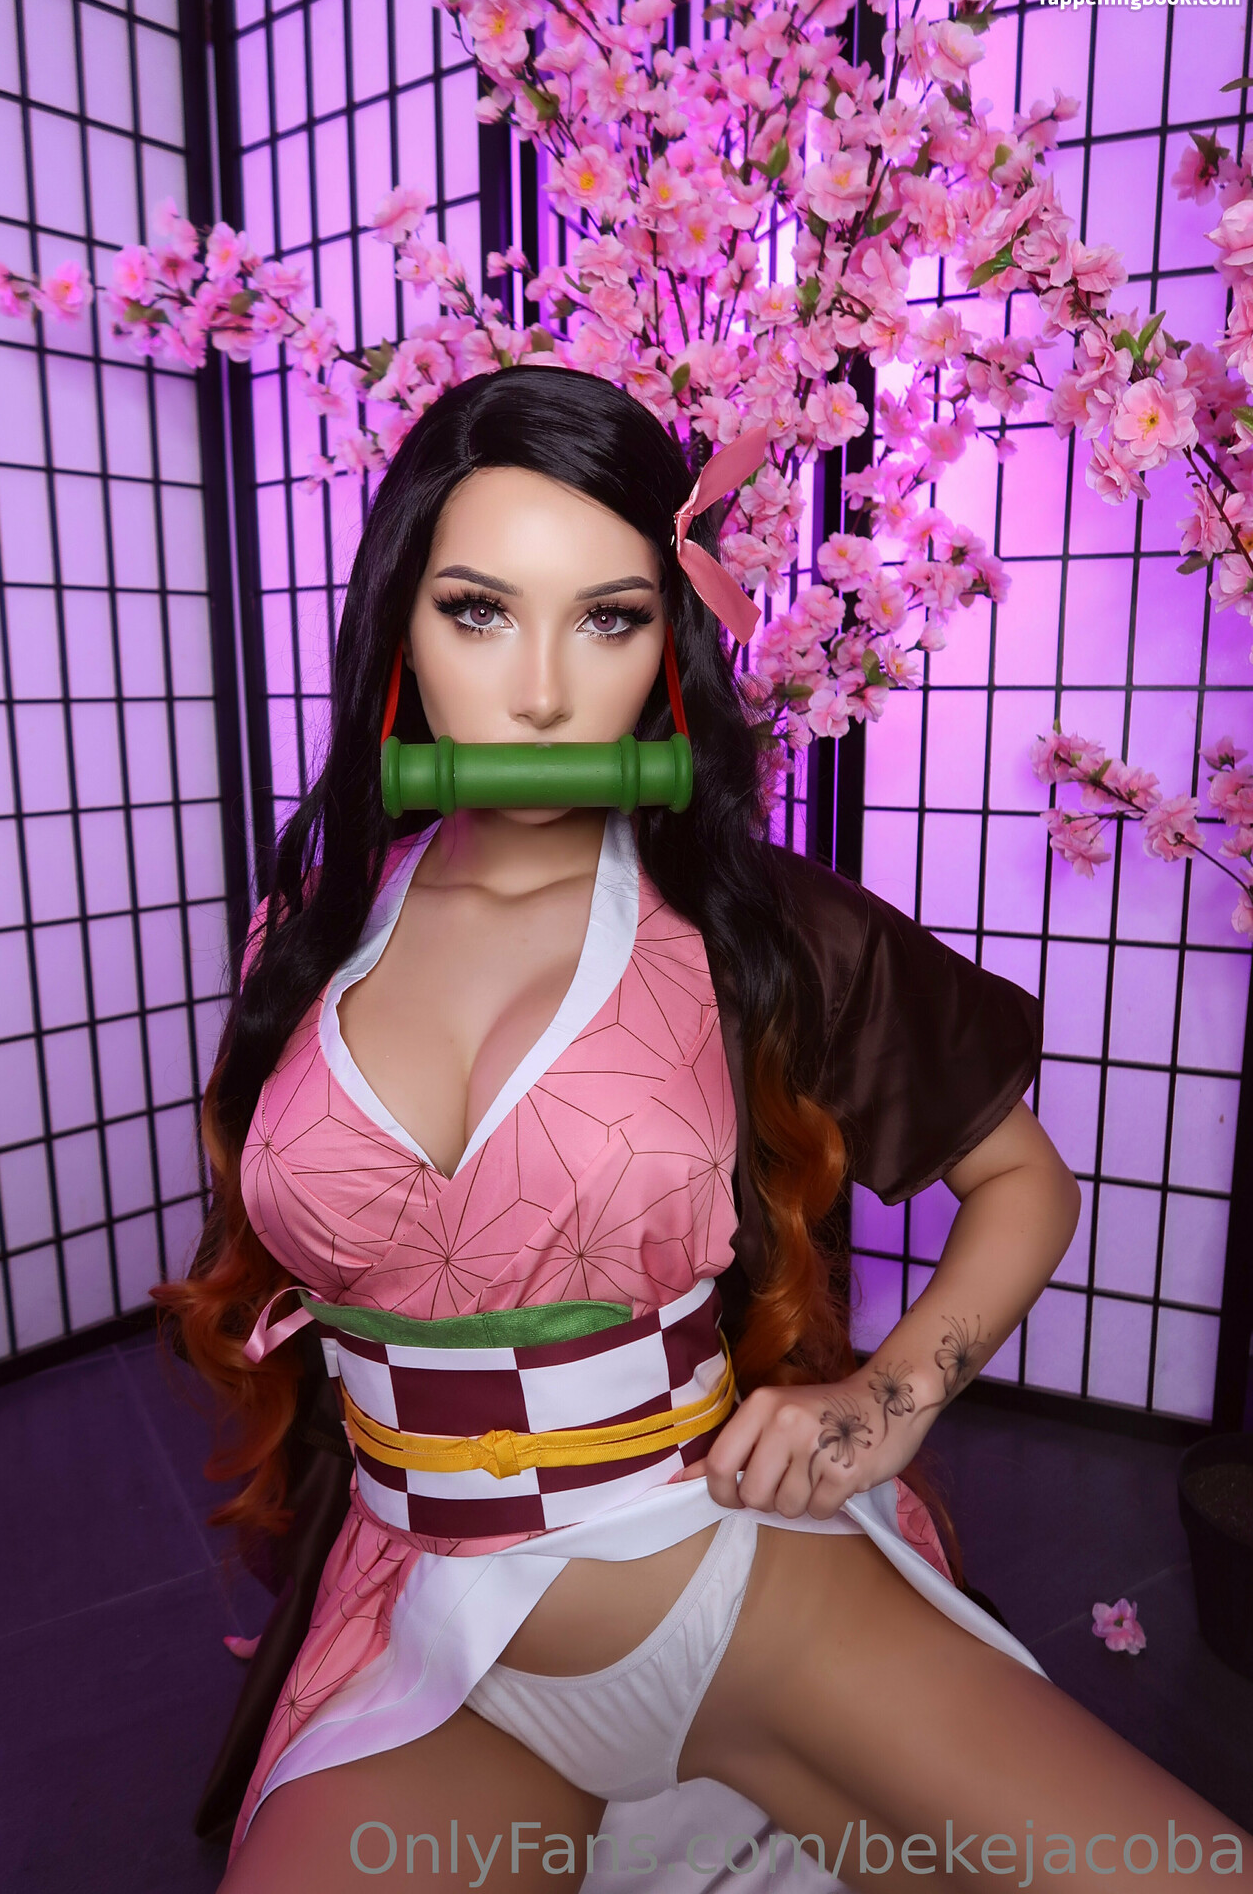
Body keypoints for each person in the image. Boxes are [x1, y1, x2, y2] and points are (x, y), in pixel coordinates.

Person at [159, 366, 1249, 1893]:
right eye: (479, 612)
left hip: (719, 1569)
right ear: (398, 622)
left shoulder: (750, 929)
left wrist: (888, 1403)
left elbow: (1023, 1179)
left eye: (608, 618)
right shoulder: (312, 931)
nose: (542, 690)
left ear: (669, 639)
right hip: (417, 1615)